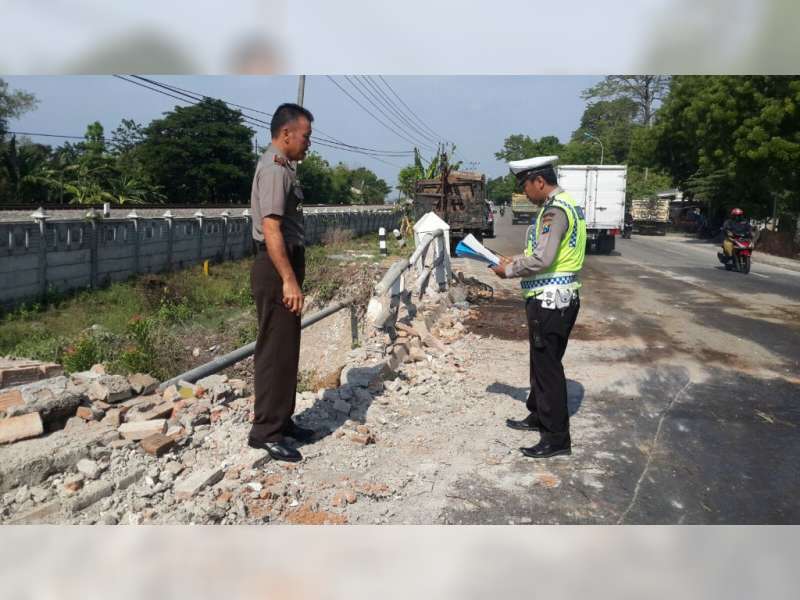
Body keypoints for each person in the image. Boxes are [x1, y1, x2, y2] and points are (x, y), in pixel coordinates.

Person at [490, 156, 586, 459]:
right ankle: (538, 414)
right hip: (555, 299)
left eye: (525, 187)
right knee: (541, 362)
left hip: (551, 301)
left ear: (539, 182)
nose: (525, 194)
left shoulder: (554, 212)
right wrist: (514, 260)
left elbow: (543, 260)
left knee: (548, 369)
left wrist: (509, 270)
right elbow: (543, 252)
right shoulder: (566, 205)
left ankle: (557, 438)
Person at [248, 103, 314, 463]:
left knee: (287, 347)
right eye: (305, 136)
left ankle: (282, 420)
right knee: (274, 349)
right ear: (286, 134)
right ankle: (265, 432)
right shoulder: (275, 170)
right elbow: (271, 228)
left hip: (283, 264)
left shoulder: (286, 168)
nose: (308, 143)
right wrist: (288, 280)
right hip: (275, 268)